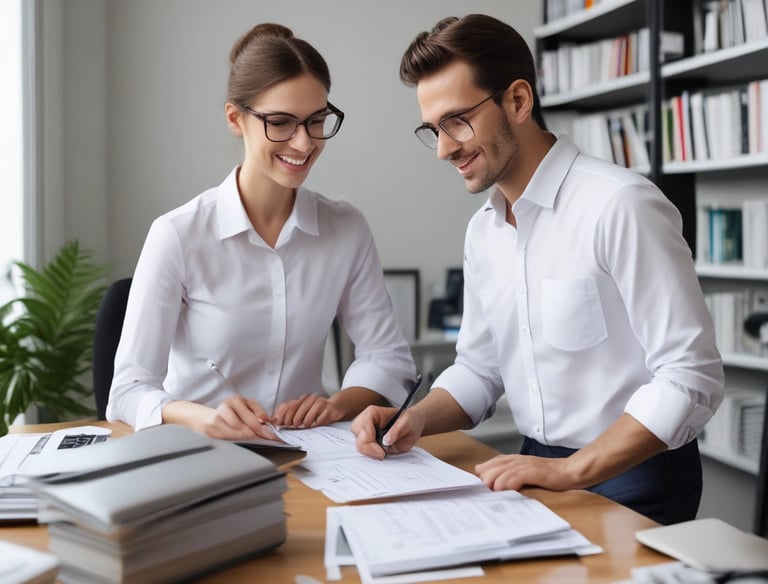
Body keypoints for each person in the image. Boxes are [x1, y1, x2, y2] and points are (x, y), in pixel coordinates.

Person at [351, 14, 724, 525]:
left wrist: (573, 471)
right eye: (433, 129)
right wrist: (414, 417)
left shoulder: (621, 205)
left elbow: (692, 376)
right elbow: (480, 370)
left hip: (634, 475)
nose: (443, 149)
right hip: (533, 466)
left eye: (458, 121)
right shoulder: (483, 231)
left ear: (519, 101)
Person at [107, 23, 416, 440]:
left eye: (317, 121)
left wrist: (334, 404)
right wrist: (202, 416)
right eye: (281, 122)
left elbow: (389, 358)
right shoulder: (178, 235)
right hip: (200, 456)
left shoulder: (345, 229)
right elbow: (126, 393)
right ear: (236, 118)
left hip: (311, 455)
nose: (304, 143)